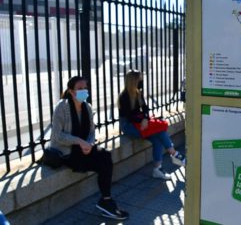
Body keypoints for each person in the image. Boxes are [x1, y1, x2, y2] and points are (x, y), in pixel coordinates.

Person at [49, 76, 129, 221]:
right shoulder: (62, 107)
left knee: (105, 156)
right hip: (66, 152)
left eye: (85, 88)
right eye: (80, 88)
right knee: (101, 162)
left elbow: (92, 132)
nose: (84, 91)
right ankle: (106, 202)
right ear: (71, 91)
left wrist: (89, 144)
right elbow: (57, 136)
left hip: (82, 149)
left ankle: (106, 199)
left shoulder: (87, 106)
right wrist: (80, 141)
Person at [118, 70, 185, 180]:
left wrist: (145, 118)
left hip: (139, 122)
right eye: (140, 79)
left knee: (157, 138)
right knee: (159, 129)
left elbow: (145, 108)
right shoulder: (124, 96)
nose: (142, 81)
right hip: (129, 125)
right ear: (134, 81)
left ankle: (157, 169)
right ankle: (174, 153)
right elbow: (129, 116)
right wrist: (143, 120)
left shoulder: (138, 93)